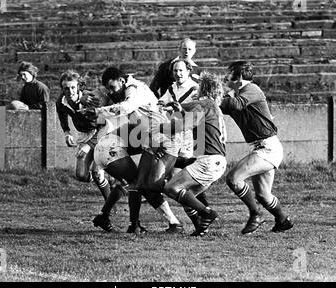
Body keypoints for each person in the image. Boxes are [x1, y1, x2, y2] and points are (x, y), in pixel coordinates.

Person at [89, 67, 184, 233]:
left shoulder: (133, 92)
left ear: (122, 81)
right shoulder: (130, 96)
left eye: (113, 87)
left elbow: (128, 111)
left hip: (119, 145)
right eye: (108, 89)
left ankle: (110, 216)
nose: (111, 92)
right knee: (140, 184)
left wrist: (95, 111)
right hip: (118, 146)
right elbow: (135, 119)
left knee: (136, 183)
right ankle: (165, 223)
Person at [219, 61, 294, 235]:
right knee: (263, 195)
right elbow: (223, 106)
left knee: (233, 179)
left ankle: (255, 214)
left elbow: (235, 104)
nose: (225, 77)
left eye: (228, 73)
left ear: (238, 77)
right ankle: (283, 221)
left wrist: (216, 95)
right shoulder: (236, 93)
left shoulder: (251, 89)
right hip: (261, 147)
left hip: (267, 147)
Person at [154, 71, 228, 236]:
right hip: (217, 161)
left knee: (171, 188)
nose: (196, 90)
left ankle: (208, 213)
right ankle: (202, 228)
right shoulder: (212, 107)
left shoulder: (204, 105)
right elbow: (188, 110)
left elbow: (181, 126)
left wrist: (158, 128)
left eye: (199, 87)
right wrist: (178, 108)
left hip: (208, 161)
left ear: (203, 88)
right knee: (187, 198)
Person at [55, 70, 113, 204]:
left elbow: (106, 124)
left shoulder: (89, 98)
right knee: (81, 175)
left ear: (79, 86)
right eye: (66, 88)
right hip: (84, 134)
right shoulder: (61, 101)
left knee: (97, 173)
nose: (70, 91)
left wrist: (89, 145)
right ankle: (106, 179)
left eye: (73, 87)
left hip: (102, 133)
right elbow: (62, 115)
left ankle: (110, 204)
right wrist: (67, 132)